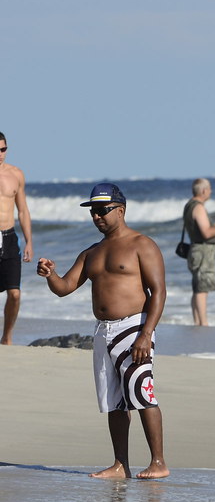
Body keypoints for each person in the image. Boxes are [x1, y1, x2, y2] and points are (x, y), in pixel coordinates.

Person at [36, 183, 169, 479]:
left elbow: (159, 291)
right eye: (93, 211)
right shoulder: (91, 252)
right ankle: (121, 465)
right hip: (102, 332)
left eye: (103, 210)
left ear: (121, 210)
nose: (97, 216)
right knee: (113, 401)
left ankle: (158, 462)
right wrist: (50, 275)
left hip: (134, 328)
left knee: (142, 392)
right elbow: (65, 287)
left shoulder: (142, 245)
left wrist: (146, 334)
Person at [182, 177, 215, 326]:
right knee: (202, 288)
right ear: (203, 191)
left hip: (195, 249)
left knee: (197, 286)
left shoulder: (189, 205)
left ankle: (197, 322)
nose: (211, 191)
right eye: (209, 188)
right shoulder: (198, 207)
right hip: (202, 252)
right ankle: (203, 323)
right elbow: (206, 233)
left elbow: (202, 229)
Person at [0, 131, 33, 345]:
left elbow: (22, 210)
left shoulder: (16, 174)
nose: (0, 154)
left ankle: (6, 337)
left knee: (15, 294)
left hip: (9, 238)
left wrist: (29, 241)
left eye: (3, 149)